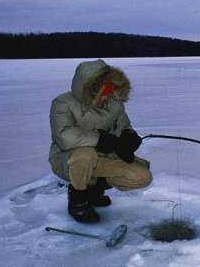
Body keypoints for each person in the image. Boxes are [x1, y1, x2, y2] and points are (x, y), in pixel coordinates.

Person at [48, 59, 152, 223]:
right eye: (105, 87)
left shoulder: (115, 103)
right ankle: (78, 200)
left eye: (110, 86)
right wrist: (100, 139)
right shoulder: (63, 103)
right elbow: (64, 137)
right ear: (89, 88)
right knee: (85, 156)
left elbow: (124, 125)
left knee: (142, 177)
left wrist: (128, 137)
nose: (109, 92)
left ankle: (94, 188)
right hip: (67, 160)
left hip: (104, 157)